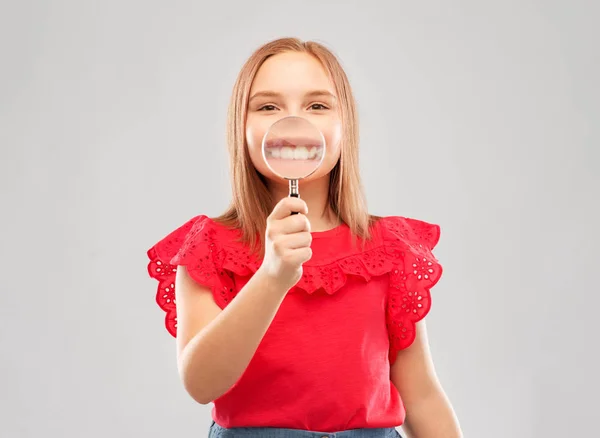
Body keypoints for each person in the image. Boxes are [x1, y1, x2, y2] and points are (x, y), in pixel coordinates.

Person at [146, 37, 462, 438]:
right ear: (240, 128)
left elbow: (422, 398)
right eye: (267, 106)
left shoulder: (388, 249)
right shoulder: (210, 246)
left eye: (317, 105)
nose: (294, 122)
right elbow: (202, 383)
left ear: (344, 125)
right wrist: (272, 276)